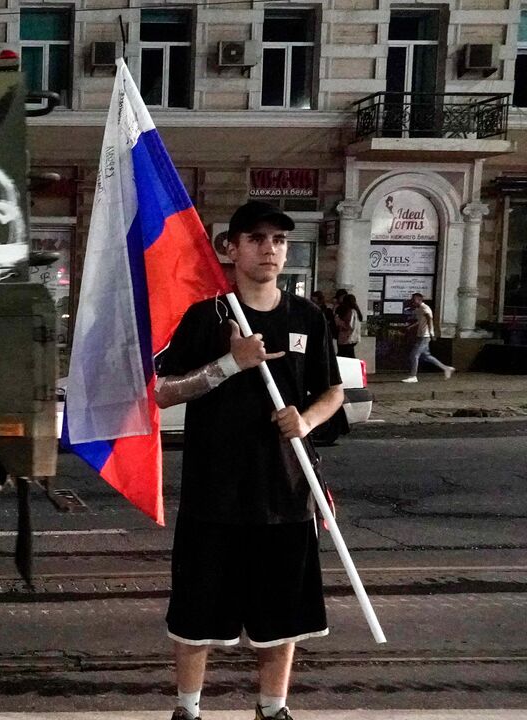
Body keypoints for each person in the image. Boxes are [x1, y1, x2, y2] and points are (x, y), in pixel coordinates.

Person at [154, 200, 344, 720]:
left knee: (282, 616)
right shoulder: (207, 314)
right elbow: (164, 392)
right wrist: (229, 364)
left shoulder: (308, 317)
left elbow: (333, 392)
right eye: (257, 239)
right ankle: (188, 710)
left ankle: (272, 708)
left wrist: (306, 421)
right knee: (197, 614)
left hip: (286, 496)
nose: (269, 249)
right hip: (214, 495)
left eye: (279, 240)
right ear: (231, 248)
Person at [402, 293, 454, 383]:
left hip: (425, 336)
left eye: (413, 300)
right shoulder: (419, 309)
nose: (412, 302)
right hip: (421, 335)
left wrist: (431, 333)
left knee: (414, 355)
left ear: (419, 300)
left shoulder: (424, 308)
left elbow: (429, 320)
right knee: (427, 356)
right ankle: (446, 368)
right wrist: (410, 327)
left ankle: (413, 376)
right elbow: (420, 321)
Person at [334, 293, 363, 358]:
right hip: (353, 338)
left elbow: (348, 325)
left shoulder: (351, 312)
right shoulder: (357, 312)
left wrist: (338, 320)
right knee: (349, 355)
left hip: (347, 338)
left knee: (343, 356)